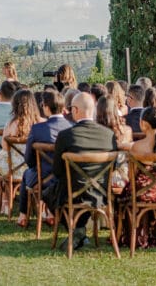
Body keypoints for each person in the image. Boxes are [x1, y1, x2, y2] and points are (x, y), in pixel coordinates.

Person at [48, 92, 117, 252]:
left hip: (73, 193)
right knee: (61, 191)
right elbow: (113, 168)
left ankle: (77, 231)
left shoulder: (66, 136)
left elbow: (57, 171)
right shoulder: (109, 135)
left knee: (48, 193)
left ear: (76, 110)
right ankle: (79, 231)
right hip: (101, 193)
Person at [119, 107, 156, 249]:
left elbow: (132, 177)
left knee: (125, 194)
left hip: (141, 193)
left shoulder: (137, 147)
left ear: (144, 124)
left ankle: (134, 234)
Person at [18, 89, 69, 228]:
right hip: (67, 178)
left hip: (42, 178)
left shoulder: (37, 129)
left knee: (26, 174)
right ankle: (50, 214)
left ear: (46, 107)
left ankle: (23, 215)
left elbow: (29, 159)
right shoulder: (72, 127)